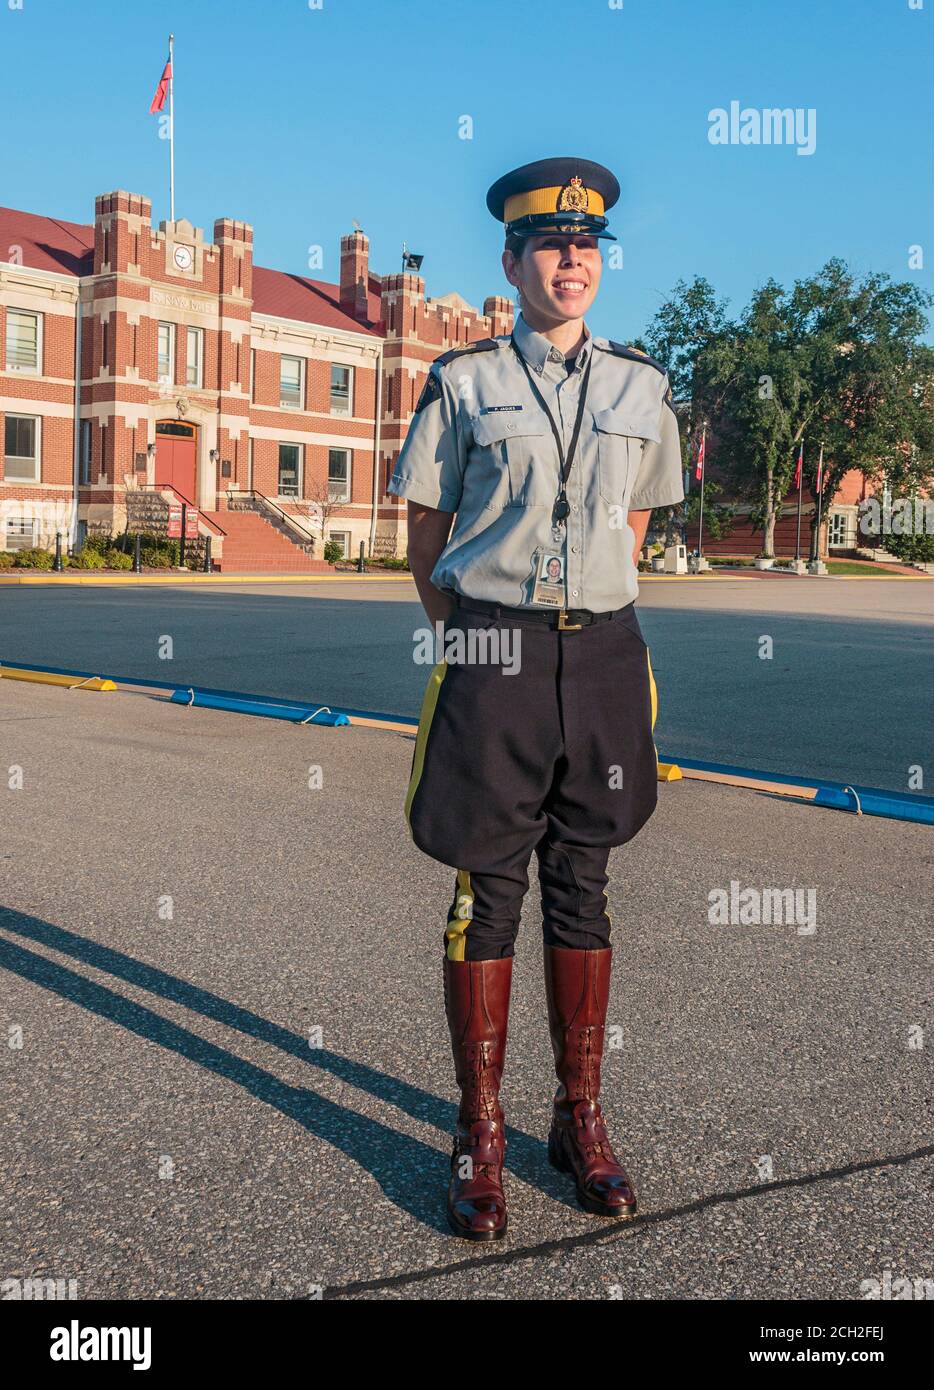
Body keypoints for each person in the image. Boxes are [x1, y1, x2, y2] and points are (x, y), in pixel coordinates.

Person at [388, 157, 684, 1241]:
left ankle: (580, 1117)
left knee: (585, 884)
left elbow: (636, 527)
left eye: (588, 244)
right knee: (486, 890)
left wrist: (584, 609)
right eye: (551, 244)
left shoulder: (642, 388)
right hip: (494, 651)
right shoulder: (462, 383)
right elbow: (424, 534)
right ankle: (478, 1128)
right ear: (510, 262)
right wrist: (469, 639)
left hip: (602, 653)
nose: (573, 258)